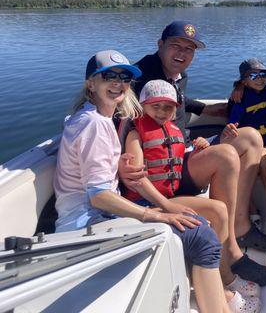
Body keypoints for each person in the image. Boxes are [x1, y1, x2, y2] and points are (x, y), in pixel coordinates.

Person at [53, 50, 232, 313]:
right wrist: (156, 215)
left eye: (124, 77)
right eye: (108, 76)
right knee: (202, 236)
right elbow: (98, 197)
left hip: (96, 217)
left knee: (200, 225)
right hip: (89, 224)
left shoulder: (91, 117)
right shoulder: (95, 125)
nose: (118, 82)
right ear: (91, 83)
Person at [123, 21, 266, 285]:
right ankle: (230, 251)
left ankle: (240, 225)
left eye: (189, 49)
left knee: (251, 137)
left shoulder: (175, 74)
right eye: (175, 46)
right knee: (227, 154)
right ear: (160, 46)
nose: (182, 54)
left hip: (186, 150)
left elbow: (179, 100)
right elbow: (123, 121)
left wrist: (209, 108)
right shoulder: (139, 79)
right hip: (163, 170)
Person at [121, 79, 261, 310]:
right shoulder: (136, 134)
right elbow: (137, 179)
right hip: (147, 202)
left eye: (168, 107)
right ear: (143, 105)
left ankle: (221, 272)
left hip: (170, 195)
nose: (162, 112)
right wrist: (166, 205)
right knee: (216, 213)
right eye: (155, 106)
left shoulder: (173, 129)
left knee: (220, 210)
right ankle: (224, 279)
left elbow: (175, 160)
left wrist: (197, 149)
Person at [223, 58, 266, 233]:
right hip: (251, 147)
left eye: (263, 74)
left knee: (263, 160)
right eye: (253, 75)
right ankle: (252, 210)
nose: (260, 78)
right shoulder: (240, 99)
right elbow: (234, 124)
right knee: (246, 162)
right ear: (244, 81)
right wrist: (230, 127)